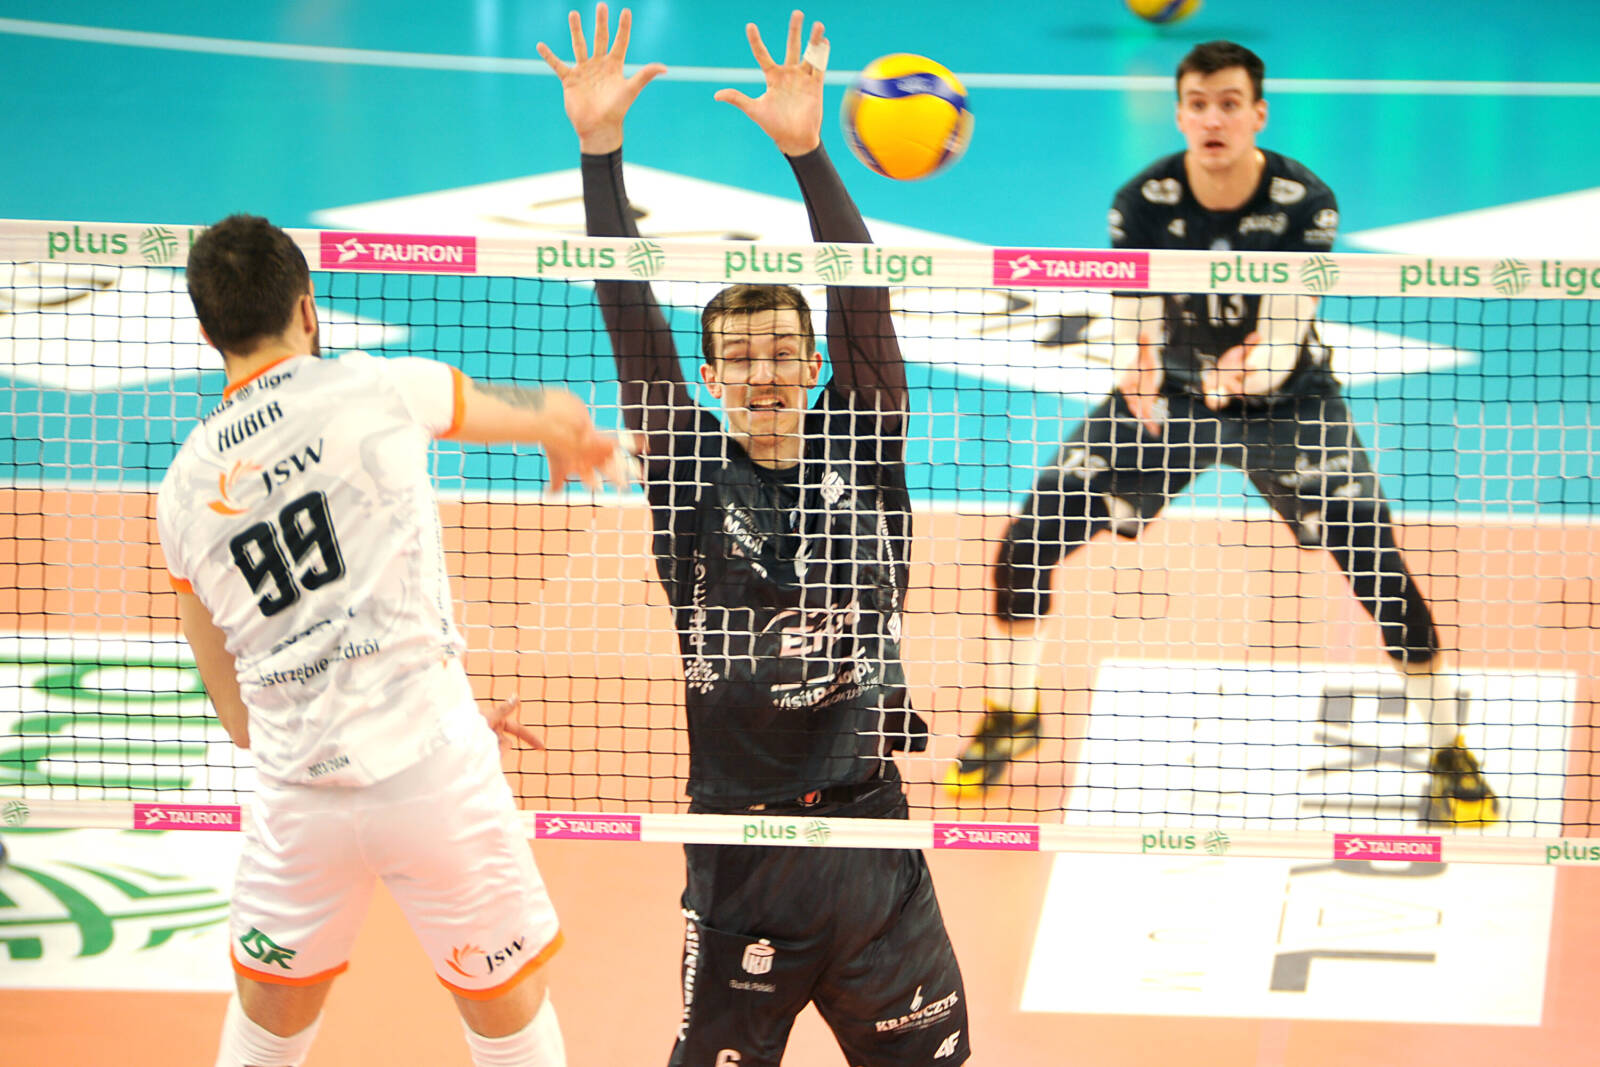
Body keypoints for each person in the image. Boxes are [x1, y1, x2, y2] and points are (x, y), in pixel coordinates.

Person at [536, 6, 970, 1064]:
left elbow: (861, 292)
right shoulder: (688, 467)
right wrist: (600, 151)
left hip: (873, 836)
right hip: (742, 846)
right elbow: (628, 309)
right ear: (712, 376)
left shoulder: (865, 436)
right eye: (738, 357)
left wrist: (809, 153)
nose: (763, 372)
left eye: (783, 351)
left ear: (815, 364)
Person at [944, 40, 1499, 827]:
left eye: (1230, 104)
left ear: (1257, 114)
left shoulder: (1305, 202)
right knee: (1027, 542)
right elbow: (1134, 312)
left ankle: (1447, 748)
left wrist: (1248, 373)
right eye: (1199, 104)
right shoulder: (1144, 200)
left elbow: (1284, 333)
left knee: (1379, 570)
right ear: (1179, 114)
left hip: (1289, 402)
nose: (1214, 119)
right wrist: (1138, 364)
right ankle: (1013, 712)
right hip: (1172, 396)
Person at [158, 213, 629, 1067]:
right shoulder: (382, 387)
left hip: (299, 801)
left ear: (206, 332)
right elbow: (554, 411)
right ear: (308, 308)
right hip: (433, 771)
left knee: (265, 1031)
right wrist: (569, 432)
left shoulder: (184, 490)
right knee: (508, 1021)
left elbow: (237, 718)